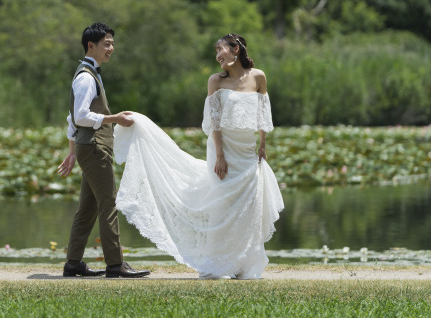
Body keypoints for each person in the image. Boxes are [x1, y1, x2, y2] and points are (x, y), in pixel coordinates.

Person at [113, 33, 284, 280]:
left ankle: (243, 265)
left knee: (248, 208)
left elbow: (263, 113)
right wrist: (221, 156)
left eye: (221, 50)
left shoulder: (259, 77)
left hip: (248, 151)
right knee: (223, 207)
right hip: (223, 148)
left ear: (236, 50)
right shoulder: (215, 81)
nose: (217, 56)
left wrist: (262, 146)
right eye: (216, 52)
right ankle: (218, 265)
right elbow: (214, 123)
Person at [57, 22, 150, 278]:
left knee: (87, 209)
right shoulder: (87, 77)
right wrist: (115, 118)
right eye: (106, 44)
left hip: (89, 148)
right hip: (95, 148)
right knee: (109, 204)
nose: (111, 48)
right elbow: (80, 116)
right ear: (91, 46)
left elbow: (71, 118)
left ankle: (73, 263)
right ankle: (115, 264)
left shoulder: (89, 74)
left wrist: (73, 151)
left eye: (112, 43)